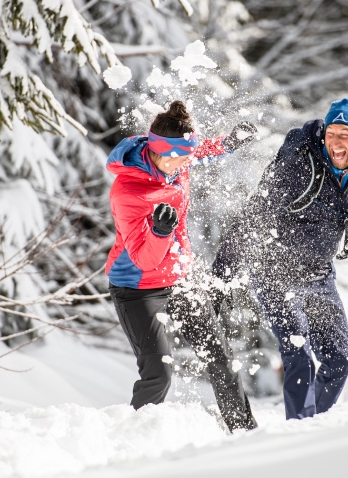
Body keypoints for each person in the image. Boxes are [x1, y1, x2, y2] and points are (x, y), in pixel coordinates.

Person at [212, 98, 348, 420]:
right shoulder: (300, 163)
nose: (336, 141)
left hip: (319, 274)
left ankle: (311, 424)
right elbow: (255, 214)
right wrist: (223, 275)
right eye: (332, 132)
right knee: (298, 354)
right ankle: (301, 432)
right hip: (275, 269)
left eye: (345, 134)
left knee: (340, 361)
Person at [105, 100, 258, 431]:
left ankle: (247, 435)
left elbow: (197, 150)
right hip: (138, 288)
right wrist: (161, 232)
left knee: (221, 361)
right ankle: (132, 441)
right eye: (183, 157)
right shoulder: (128, 192)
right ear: (164, 153)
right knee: (159, 374)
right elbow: (143, 259)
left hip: (180, 279)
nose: (190, 162)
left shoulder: (175, 161)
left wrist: (227, 143)